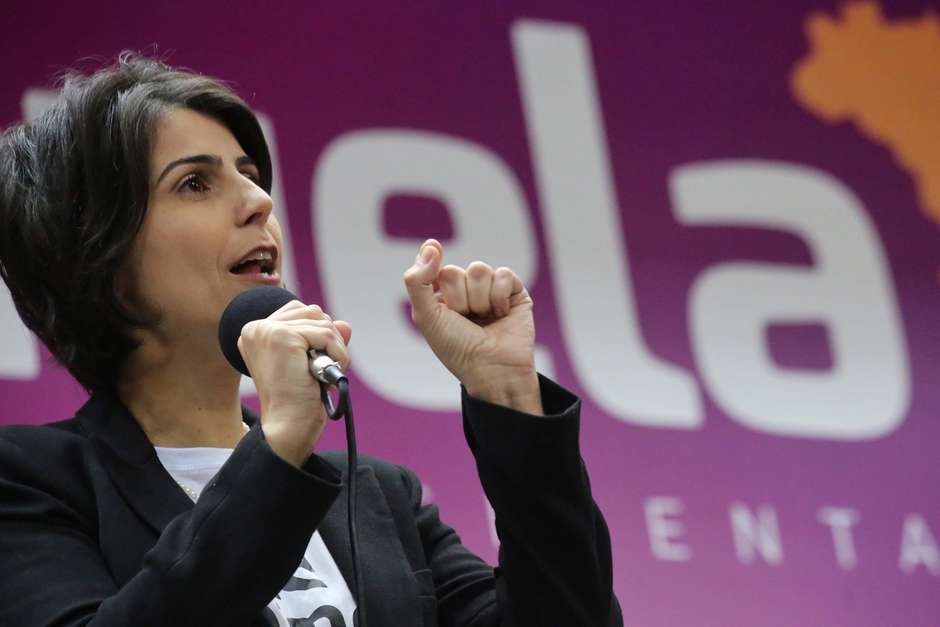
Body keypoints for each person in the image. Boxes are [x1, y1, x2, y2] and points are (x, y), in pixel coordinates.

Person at [0, 53, 622, 626]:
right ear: (97, 252)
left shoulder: (380, 496)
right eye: (194, 183)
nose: (259, 201)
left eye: (250, 175)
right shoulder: (30, 482)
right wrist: (276, 449)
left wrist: (507, 392)